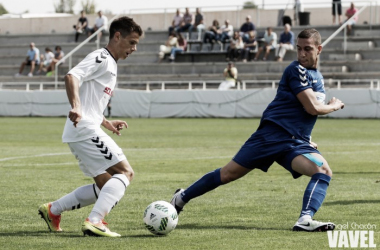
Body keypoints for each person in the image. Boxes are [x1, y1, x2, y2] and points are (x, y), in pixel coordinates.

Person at [171, 28, 345, 232]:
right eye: (299, 49)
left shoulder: (318, 77)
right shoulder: (296, 70)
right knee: (228, 174)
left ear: (319, 49)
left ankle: (305, 219)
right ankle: (181, 198)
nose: (302, 54)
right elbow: (312, 108)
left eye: (307, 49)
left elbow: (303, 114)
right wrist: (335, 105)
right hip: (270, 137)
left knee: (323, 171)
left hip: (294, 143)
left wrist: (307, 137)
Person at [38, 16, 143, 237]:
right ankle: (95, 221)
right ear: (117, 36)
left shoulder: (111, 64)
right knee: (125, 172)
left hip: (83, 129)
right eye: (132, 42)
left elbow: (92, 104)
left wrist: (106, 122)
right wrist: (75, 106)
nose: (134, 48)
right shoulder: (102, 57)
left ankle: (53, 210)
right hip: (84, 129)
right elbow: (72, 75)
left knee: (106, 185)